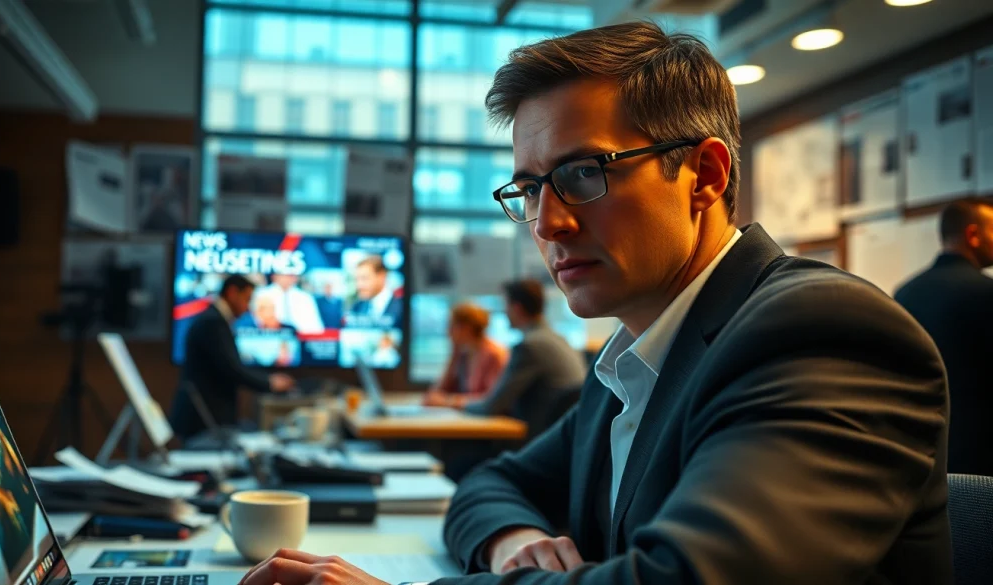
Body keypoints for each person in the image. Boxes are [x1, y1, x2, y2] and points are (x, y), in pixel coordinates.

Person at [242, 21, 950, 585]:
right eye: (530, 188)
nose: (548, 222)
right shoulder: (631, 363)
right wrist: (515, 541)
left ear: (703, 174)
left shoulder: (819, 333)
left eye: (583, 173)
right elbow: (489, 483)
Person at [895, 197, 993, 476]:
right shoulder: (987, 294)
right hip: (980, 454)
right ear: (973, 235)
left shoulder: (905, 293)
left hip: (919, 450)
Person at [169, 274, 295, 440]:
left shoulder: (215, 319)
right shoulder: (213, 322)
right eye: (247, 299)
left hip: (207, 416)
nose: (248, 307)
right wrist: (270, 382)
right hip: (203, 418)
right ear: (232, 292)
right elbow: (231, 368)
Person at [461, 280, 587, 433]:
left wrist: (451, 403)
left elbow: (492, 406)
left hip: (536, 438)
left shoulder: (529, 346)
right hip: (563, 435)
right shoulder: (560, 340)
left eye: (505, 306)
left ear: (517, 308)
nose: (504, 312)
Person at [423, 303, 509, 409]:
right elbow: (437, 392)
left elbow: (491, 400)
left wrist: (448, 402)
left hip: (489, 419)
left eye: (452, 326)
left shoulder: (494, 354)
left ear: (467, 328)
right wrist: (453, 358)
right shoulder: (464, 353)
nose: (448, 332)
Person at [259, 273, 324, 335]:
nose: (289, 277)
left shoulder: (306, 297)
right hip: (270, 339)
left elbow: (317, 328)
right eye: (285, 273)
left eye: (292, 274)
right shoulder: (261, 294)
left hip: (301, 341)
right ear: (274, 275)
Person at [348, 255, 403, 325]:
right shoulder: (356, 307)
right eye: (356, 279)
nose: (359, 285)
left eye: (364, 278)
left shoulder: (402, 307)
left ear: (382, 277)